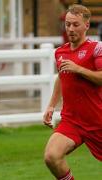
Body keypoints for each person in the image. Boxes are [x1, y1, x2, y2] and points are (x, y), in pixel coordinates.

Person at [43, 4, 102, 180]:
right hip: (72, 121)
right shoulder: (61, 52)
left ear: (87, 25)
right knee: (51, 156)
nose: (70, 29)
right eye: (68, 24)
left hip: (97, 120)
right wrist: (51, 105)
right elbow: (62, 78)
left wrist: (79, 69)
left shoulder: (96, 49)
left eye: (75, 24)